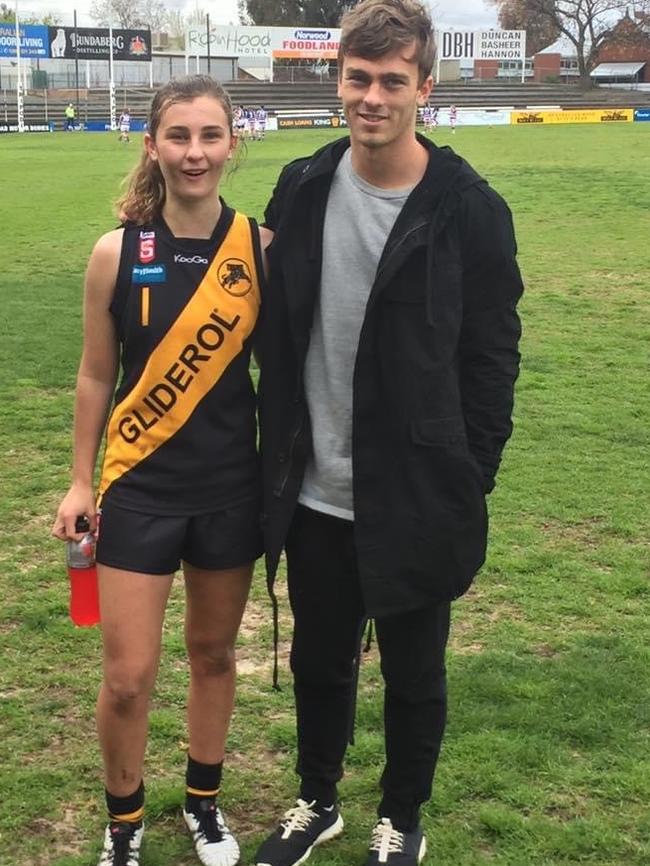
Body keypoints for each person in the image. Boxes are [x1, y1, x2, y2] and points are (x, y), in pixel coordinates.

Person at [255, 1, 523, 864]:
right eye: (358, 79)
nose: (372, 98)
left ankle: (401, 813)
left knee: (414, 674)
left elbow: (492, 355)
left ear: (425, 88)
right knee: (318, 663)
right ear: (339, 80)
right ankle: (317, 798)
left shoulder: (469, 208)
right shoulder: (300, 185)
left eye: (392, 81)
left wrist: (468, 472)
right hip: (315, 487)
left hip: (417, 490)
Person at [52, 74, 270, 866]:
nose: (195, 153)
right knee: (129, 678)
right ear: (153, 146)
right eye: (179, 137)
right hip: (138, 490)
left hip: (227, 492)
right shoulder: (116, 252)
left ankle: (204, 805)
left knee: (213, 655)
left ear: (231, 145)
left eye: (210, 136)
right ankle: (125, 825)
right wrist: (82, 481)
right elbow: (93, 375)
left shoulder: (260, 249)